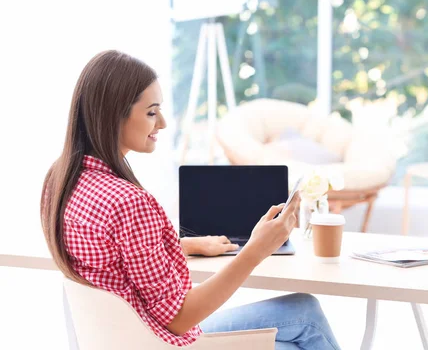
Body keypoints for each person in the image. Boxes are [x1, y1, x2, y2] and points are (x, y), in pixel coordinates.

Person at [40, 50, 341, 350]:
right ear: (112, 115)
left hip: (125, 338)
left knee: (303, 312)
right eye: (151, 112)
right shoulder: (127, 202)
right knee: (306, 317)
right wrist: (255, 250)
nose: (163, 123)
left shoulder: (62, 179)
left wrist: (188, 245)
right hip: (158, 340)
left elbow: (111, 259)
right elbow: (178, 319)